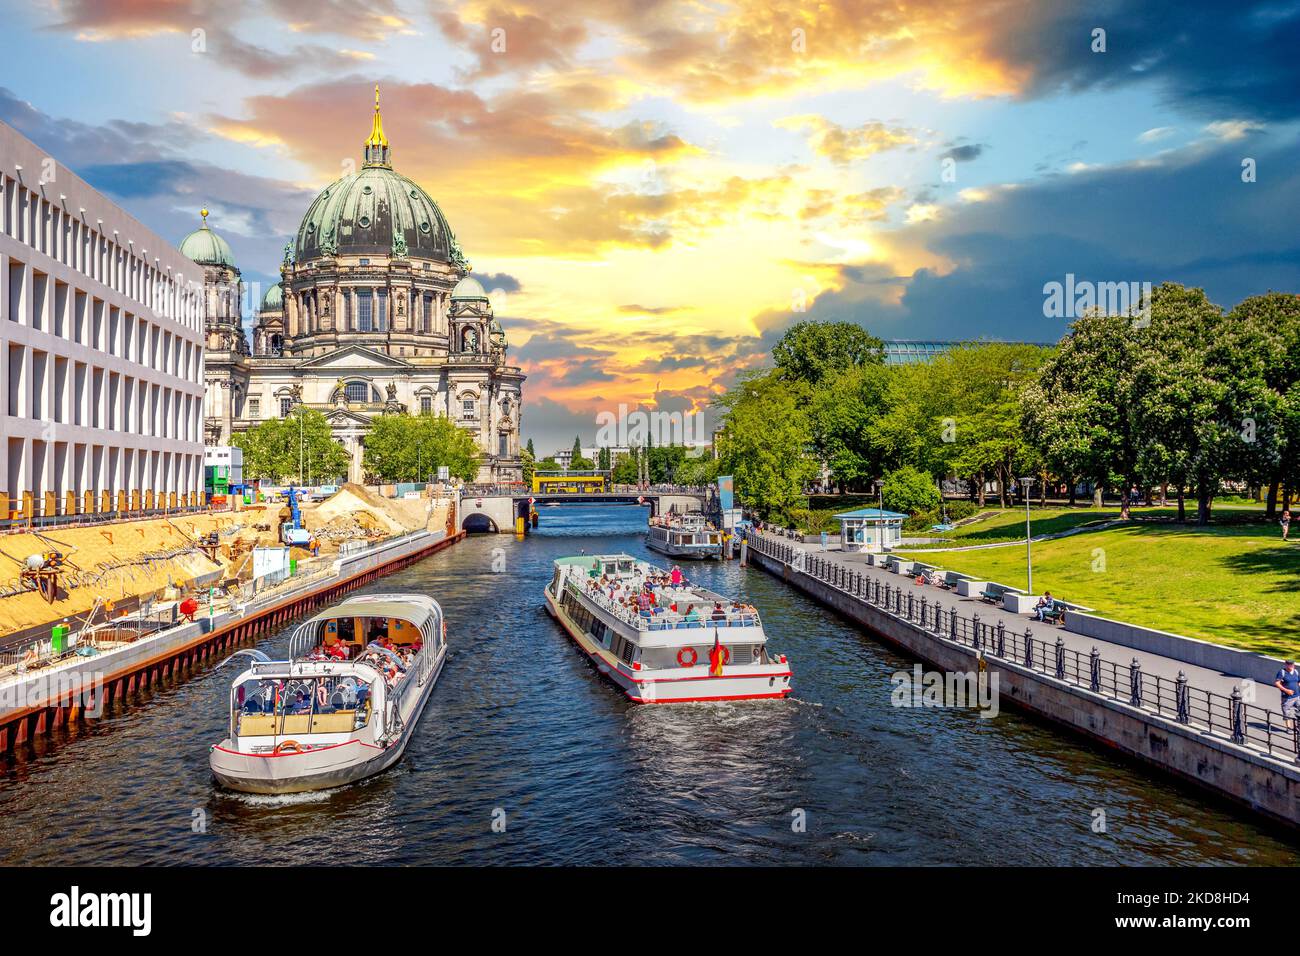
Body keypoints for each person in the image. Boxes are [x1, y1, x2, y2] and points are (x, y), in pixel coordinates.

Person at [1276, 660, 1300, 729]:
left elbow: (1298, 681)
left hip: (1297, 696)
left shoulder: (1296, 671)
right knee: (1287, 712)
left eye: (1292, 665)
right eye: (1289, 665)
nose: (1291, 666)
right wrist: (1286, 690)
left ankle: (1298, 726)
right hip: (1287, 697)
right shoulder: (1282, 672)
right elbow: (1277, 683)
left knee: (1299, 711)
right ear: (1285, 664)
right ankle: (1289, 728)